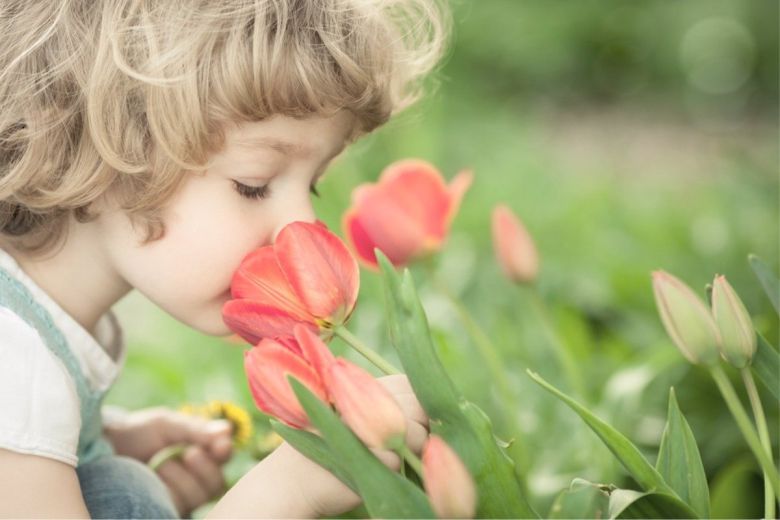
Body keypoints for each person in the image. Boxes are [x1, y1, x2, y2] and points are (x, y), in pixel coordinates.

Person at [0, 0, 449, 517]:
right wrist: (287, 492)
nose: (297, 229)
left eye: (314, 186)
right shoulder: (12, 361)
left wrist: (109, 438)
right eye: (253, 185)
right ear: (98, 140)